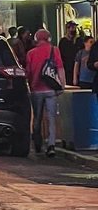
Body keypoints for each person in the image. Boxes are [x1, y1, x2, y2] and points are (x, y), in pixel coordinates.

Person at [26, 27, 65, 156]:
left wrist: (30, 85)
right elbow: (60, 68)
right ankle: (51, 145)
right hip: (51, 89)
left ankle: (37, 141)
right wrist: (62, 86)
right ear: (49, 38)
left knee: (37, 118)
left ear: (36, 39)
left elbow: (28, 73)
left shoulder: (31, 53)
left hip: (36, 89)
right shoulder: (54, 50)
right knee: (51, 117)